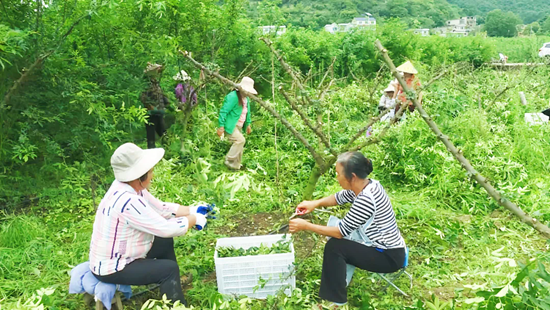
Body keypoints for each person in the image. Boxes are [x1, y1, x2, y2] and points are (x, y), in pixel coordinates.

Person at [89, 143, 211, 305]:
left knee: (163, 241)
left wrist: (192, 209)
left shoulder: (128, 187)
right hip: (112, 268)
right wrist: (194, 219)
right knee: (168, 270)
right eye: (150, 171)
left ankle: (171, 287)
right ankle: (176, 305)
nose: (152, 175)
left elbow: (160, 208)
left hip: (118, 253)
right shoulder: (128, 201)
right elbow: (166, 228)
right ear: (139, 176)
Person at [289, 152, 406, 309]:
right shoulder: (368, 185)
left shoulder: (366, 200)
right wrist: (314, 203)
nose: (337, 178)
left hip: (388, 256)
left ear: (352, 176)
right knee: (336, 230)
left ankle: (337, 302)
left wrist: (306, 226)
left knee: (335, 247)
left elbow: (339, 232)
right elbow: (339, 198)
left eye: (338, 174)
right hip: (380, 245)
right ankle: (340, 284)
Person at [216, 77, 257, 170]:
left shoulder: (246, 99)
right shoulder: (233, 96)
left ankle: (235, 166)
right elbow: (224, 111)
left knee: (240, 146)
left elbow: (247, 112)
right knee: (240, 140)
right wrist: (221, 126)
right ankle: (228, 160)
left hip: (239, 125)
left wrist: (248, 124)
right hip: (230, 125)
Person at [140, 63, 170, 149]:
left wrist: (166, 102)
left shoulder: (156, 83)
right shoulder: (146, 83)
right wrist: (149, 106)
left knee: (163, 133)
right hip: (150, 114)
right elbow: (143, 97)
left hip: (159, 112)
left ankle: (168, 150)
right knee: (151, 136)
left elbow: (159, 94)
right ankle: (151, 154)